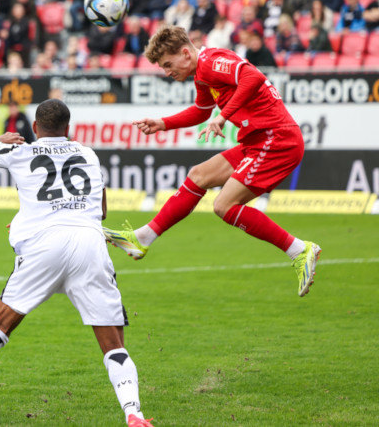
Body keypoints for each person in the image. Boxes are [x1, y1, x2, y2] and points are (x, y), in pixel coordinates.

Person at [0, 99, 153, 427]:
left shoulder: (22, 151)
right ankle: (134, 414)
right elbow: (100, 212)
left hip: (42, 247)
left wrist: (0, 140)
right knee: (113, 344)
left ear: (35, 128)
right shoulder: (89, 154)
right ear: (69, 129)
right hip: (89, 246)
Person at [103, 26, 322, 297]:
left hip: (276, 140)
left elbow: (252, 76)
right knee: (199, 175)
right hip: (258, 140)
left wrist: (222, 117)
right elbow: (200, 111)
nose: (167, 72)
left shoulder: (210, 62)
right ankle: (143, 239)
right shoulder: (202, 75)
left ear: (185, 53)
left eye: (168, 64)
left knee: (224, 205)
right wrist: (163, 123)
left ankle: (300, 249)